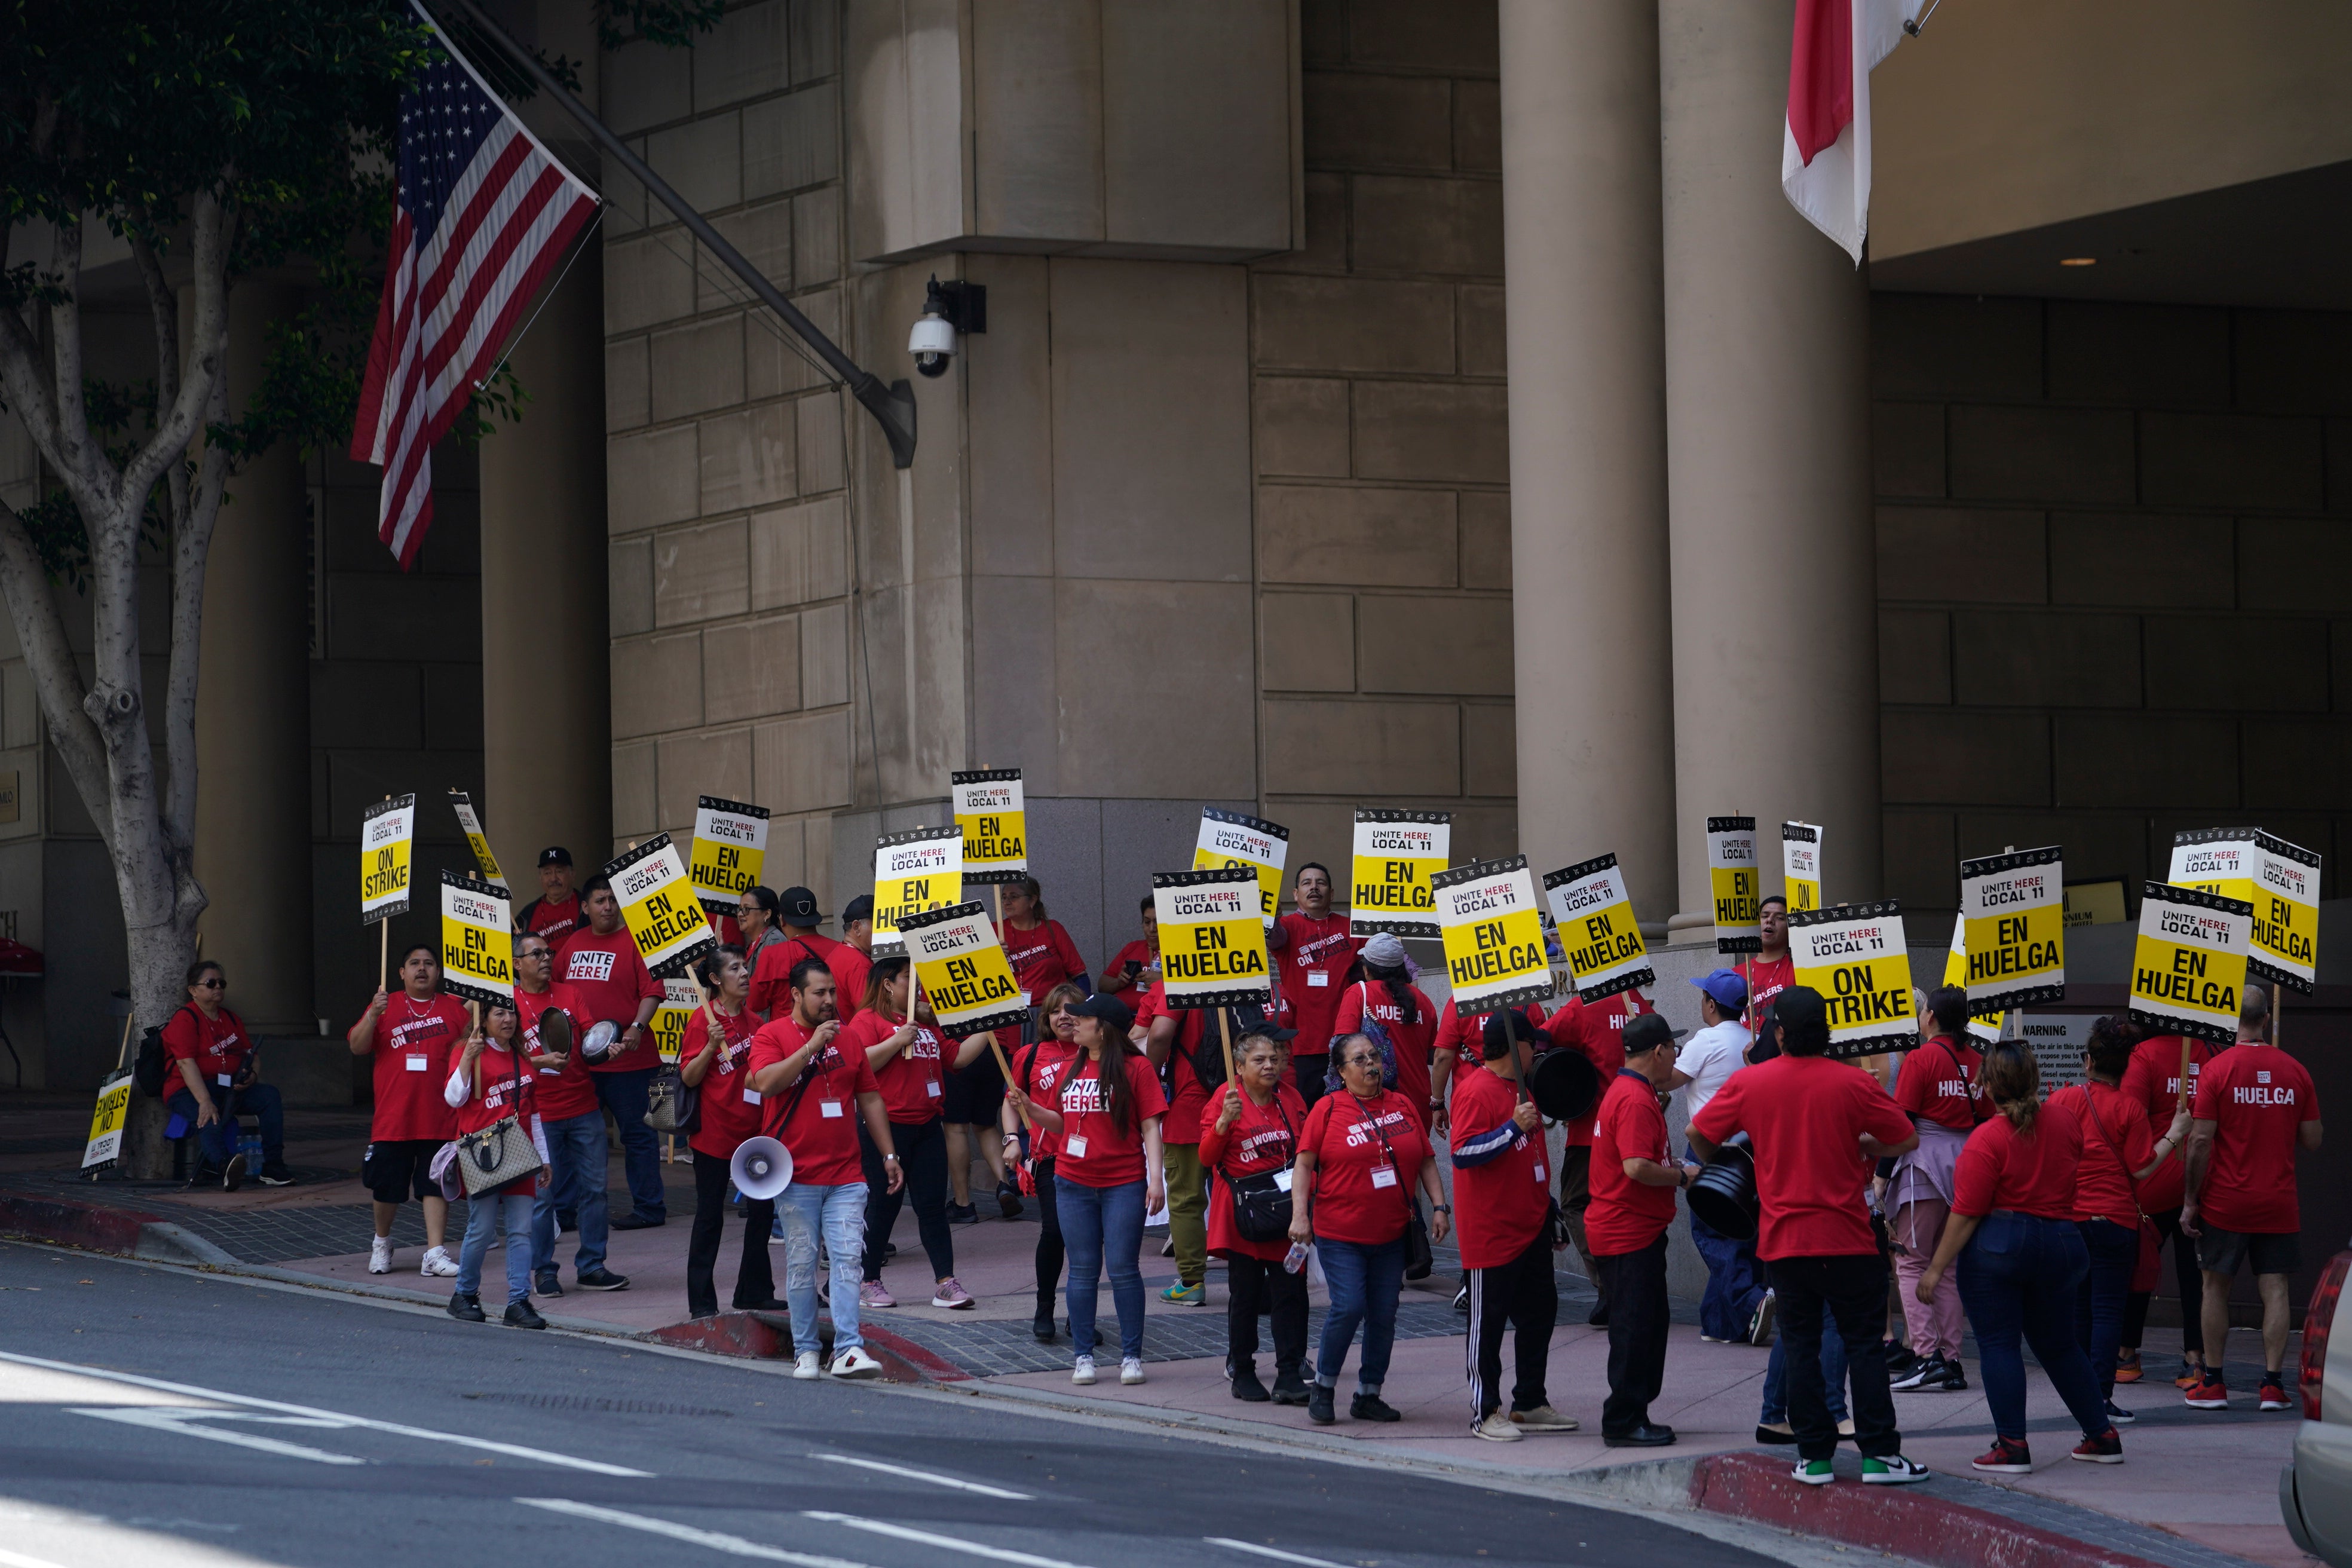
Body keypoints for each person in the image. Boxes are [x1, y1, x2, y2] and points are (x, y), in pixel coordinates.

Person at [1689, 987, 1930, 1486]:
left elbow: (1698, 1135)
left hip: (1785, 1241)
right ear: (1827, 1032)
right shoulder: (1852, 1082)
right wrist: (1861, 1141)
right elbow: (1907, 1137)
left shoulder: (1752, 1082)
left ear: (1779, 1032)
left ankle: (1814, 1458)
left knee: (1799, 1346)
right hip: (1847, 1239)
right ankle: (1880, 1457)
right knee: (1863, 1347)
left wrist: (1740, 1168)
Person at [1917, 1041, 2121, 1471]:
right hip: (2064, 1244)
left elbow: (1967, 1213)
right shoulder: (2065, 1121)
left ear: (1988, 1086)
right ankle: (2102, 1434)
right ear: (2034, 1078)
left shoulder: (1986, 1138)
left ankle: (2012, 1445)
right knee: (2061, 1345)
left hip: (2002, 1247)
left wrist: (1934, 1271)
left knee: (1998, 1344)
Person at [1290, 1030, 1451, 1426]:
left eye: (1374, 1056)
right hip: (1340, 1233)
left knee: (1384, 1314)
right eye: (1359, 1060)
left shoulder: (1402, 1105)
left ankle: (1368, 1394)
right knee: (1349, 1307)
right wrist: (1300, 1215)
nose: (1370, 1065)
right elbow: (1304, 1165)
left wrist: (1440, 1206)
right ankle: (1324, 1387)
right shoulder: (1327, 1109)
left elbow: (1427, 1160)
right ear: (1341, 1071)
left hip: (1391, 1233)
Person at [747, 958, 898, 1380]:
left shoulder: (849, 1039)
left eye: (832, 992)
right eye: (819, 993)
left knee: (849, 1260)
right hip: (795, 1178)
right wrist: (812, 1046)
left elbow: (869, 1098)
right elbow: (766, 1082)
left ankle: (849, 1348)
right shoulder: (770, 1034)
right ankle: (806, 1350)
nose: (829, 1000)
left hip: (847, 1175)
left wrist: (888, 1155)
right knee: (802, 1263)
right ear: (796, 995)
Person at [1006, 993, 1166, 1388]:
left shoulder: (1137, 1068)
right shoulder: (1071, 1067)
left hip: (1123, 1183)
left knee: (1125, 1270)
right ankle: (1084, 1357)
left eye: (1082, 1017)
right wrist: (1028, 1106)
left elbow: (1150, 1126)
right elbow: (1060, 1123)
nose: (1072, 1022)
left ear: (1104, 1027)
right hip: (1072, 1182)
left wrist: (1156, 1178)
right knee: (1081, 1272)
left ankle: (1131, 1356)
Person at [2182, 985, 2322, 1413]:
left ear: (2232, 1018)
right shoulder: (2296, 1071)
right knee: (2276, 1289)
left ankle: (2215, 1383)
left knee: (2214, 1286)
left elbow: (2200, 1142)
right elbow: (2313, 1141)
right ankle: (2273, 1386)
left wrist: (2190, 1200)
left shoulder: (2216, 1071)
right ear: (2265, 1019)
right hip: (2278, 1200)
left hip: (2226, 1201)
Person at [2047, 1015, 2191, 1428]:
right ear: (2127, 1066)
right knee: (2109, 1311)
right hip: (2117, 1220)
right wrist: (2176, 1133)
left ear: (2088, 1061)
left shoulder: (2062, 1101)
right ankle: (2100, 1396)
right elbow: (2143, 1167)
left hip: (2072, 1219)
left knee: (2078, 1309)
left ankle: (2076, 1395)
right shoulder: (2131, 1108)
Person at [1452, 1010, 1577, 1443]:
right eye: (1533, 1046)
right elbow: (1464, 1154)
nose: (1538, 1053)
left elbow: (1532, 1158)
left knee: (1540, 1315)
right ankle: (1485, 1411)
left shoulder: (1524, 1090)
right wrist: (1511, 1128)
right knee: (1487, 1329)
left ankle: (1530, 1400)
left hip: (1532, 1227)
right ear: (1516, 1045)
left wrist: (1549, 1209)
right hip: (1493, 1233)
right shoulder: (1475, 1090)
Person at [842, 954, 992, 1310]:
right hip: (886, 1128)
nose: (918, 985)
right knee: (882, 1207)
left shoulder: (925, 1024)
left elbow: (955, 1058)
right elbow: (858, 1064)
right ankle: (867, 1280)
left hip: (927, 1125)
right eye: (909, 977)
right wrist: (896, 1041)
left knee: (931, 1207)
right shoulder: (867, 1020)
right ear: (888, 984)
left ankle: (946, 1282)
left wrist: (989, 1023)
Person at [1586, 1011, 1699, 1447]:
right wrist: (1681, 1177)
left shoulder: (1628, 1091)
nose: (1677, 1055)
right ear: (1658, 1052)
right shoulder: (1634, 1099)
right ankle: (1623, 1420)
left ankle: (1634, 1412)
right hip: (1626, 1231)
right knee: (1636, 1329)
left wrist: (1669, 1167)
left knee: (1646, 1325)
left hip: (1630, 1229)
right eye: (1673, 1047)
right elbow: (1635, 1167)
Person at [1200, 1022, 1310, 1404]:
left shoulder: (1291, 1098)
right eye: (1259, 1060)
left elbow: (1307, 1152)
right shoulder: (1225, 1098)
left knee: (1292, 1294)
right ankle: (1243, 1370)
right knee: (1244, 1296)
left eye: (1274, 1059)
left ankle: (1290, 1372)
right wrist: (1223, 1123)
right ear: (1240, 1066)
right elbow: (1206, 1158)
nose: (1270, 1066)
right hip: (1243, 1214)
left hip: (1286, 1212)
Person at [513, 932, 627, 1297]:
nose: (546, 958)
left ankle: (592, 1266)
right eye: (536, 954)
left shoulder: (569, 994)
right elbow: (500, 1059)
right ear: (517, 964)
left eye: (548, 952)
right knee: (543, 1197)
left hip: (583, 1107)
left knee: (595, 1190)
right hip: (538, 1114)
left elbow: (592, 1037)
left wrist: (607, 1045)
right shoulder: (508, 1002)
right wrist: (538, 1061)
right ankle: (544, 1271)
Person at [1884, 986, 1985, 1394]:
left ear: (1930, 1018)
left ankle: (1926, 1356)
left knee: (1910, 1262)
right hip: (1967, 1167)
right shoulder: (1979, 1059)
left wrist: (1880, 1173)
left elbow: (1901, 1124)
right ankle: (1952, 1360)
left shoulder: (1922, 1059)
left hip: (1923, 1167)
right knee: (1948, 1268)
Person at [1535, 985, 1654, 1326]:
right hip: (1637, 1124)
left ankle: (1608, 1283)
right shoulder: (1637, 1003)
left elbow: (1540, 1041)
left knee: (1575, 1203)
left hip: (1593, 1130)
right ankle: (1623, 1285)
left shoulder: (1582, 1007)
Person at [555, 875, 668, 1229]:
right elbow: (554, 991)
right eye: (600, 901)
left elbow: (653, 991)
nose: (608, 907)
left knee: (639, 1138)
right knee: (575, 1139)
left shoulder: (636, 942)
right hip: (584, 1067)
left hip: (632, 1064)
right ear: (585, 908)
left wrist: (637, 1027)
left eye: (612, 900)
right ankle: (567, 1213)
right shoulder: (572, 944)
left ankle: (650, 1209)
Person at [347, 944, 464, 1274]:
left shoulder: (456, 1011)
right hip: (394, 1118)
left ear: (438, 972)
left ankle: (435, 1253)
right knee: (386, 1187)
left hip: (440, 1117)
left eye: (429, 964)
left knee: (436, 1184)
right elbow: (357, 1046)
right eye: (414, 963)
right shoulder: (385, 1005)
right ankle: (382, 1243)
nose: (422, 969)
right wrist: (372, 1015)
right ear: (402, 972)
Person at [679, 945, 780, 1319]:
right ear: (716, 979)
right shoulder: (702, 1020)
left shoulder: (756, 1022)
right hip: (714, 1137)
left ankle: (753, 1291)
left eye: (745, 966)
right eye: (735, 968)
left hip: (754, 1135)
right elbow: (688, 1077)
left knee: (762, 1213)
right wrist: (709, 1045)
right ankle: (702, 1303)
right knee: (709, 1217)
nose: (744, 973)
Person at [1673, 968, 1767, 1345]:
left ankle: (1753, 1302)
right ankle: (1723, 1324)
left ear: (1711, 1004)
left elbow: (1665, 1080)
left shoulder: (1704, 1040)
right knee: (1740, 1233)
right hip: (1749, 1149)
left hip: (1708, 1146)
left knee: (1712, 1234)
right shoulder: (1752, 1042)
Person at [443, 997, 550, 1329]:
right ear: (483, 1018)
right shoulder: (467, 1049)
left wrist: (544, 1159)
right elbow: (452, 1098)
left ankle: (519, 1301)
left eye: (511, 1013)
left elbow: (534, 1115)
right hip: (483, 1157)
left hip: (520, 1156)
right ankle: (464, 1295)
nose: (508, 1019)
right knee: (482, 1229)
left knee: (521, 1231)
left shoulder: (522, 1057)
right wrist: (467, 1061)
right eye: (499, 1013)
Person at [2116, 1026, 2210, 1388]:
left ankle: (2126, 1355)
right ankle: (2195, 1361)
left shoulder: (2142, 1056)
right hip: (2199, 1183)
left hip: (2151, 1183)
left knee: (2140, 1271)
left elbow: (2129, 1117)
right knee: (2196, 1277)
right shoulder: (2213, 1053)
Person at [1003, 982, 1088, 1341]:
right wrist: (1011, 1139)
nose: (1064, 1016)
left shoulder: (1096, 1051)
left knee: (1085, 1239)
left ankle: (1081, 1316)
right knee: (1054, 1231)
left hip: (1092, 1159)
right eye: (1056, 1011)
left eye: (1071, 1009)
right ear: (1046, 1018)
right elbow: (1011, 1100)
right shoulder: (1030, 1053)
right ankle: (1044, 1307)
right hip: (1051, 1158)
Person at [163, 960, 287, 1191]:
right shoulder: (185, 1019)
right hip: (189, 1089)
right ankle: (224, 1166)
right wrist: (204, 1101)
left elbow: (252, 1054)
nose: (218, 987)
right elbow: (185, 1063)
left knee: (269, 1096)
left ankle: (273, 1165)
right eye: (211, 983)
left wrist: (252, 1075)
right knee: (209, 1116)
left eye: (222, 983)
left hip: (229, 1086)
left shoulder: (230, 1019)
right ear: (193, 991)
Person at [1265, 862, 1359, 1106]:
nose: (1314, 888)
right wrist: (1272, 918)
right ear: (1296, 894)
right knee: (1308, 1115)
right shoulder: (1287, 927)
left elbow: (1391, 959)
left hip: (1344, 1040)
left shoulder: (1351, 928)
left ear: (1332, 893)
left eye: (1321, 883)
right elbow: (1275, 940)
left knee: (1343, 1114)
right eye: (1306, 883)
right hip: (1303, 1044)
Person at [1332, 933, 1437, 1131]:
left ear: (1366, 969)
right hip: (1419, 1103)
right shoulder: (1423, 1000)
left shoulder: (1359, 993)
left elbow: (1340, 1048)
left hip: (1375, 1103)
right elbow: (1432, 1055)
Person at [747, 887, 859, 1021]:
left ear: (781, 919)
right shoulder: (839, 949)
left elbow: (754, 1003)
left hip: (787, 1035)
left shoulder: (772, 954)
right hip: (831, 1031)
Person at [1099, 896, 1160, 1006]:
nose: (1152, 929)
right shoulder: (1133, 947)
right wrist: (1119, 983)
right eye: (1147, 922)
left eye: (1158, 922)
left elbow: (1195, 990)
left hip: (1154, 1018)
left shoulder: (1180, 952)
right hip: (1119, 1016)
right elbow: (1102, 985)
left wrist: (1163, 982)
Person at [516, 847, 585, 945]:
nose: (553, 878)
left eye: (559, 871)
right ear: (540, 878)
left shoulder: (587, 908)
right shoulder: (526, 916)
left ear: (572, 874)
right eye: (547, 873)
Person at [736, 886, 786, 974]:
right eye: (740, 909)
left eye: (746, 909)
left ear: (767, 914)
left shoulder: (774, 941)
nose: (740, 914)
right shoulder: (755, 942)